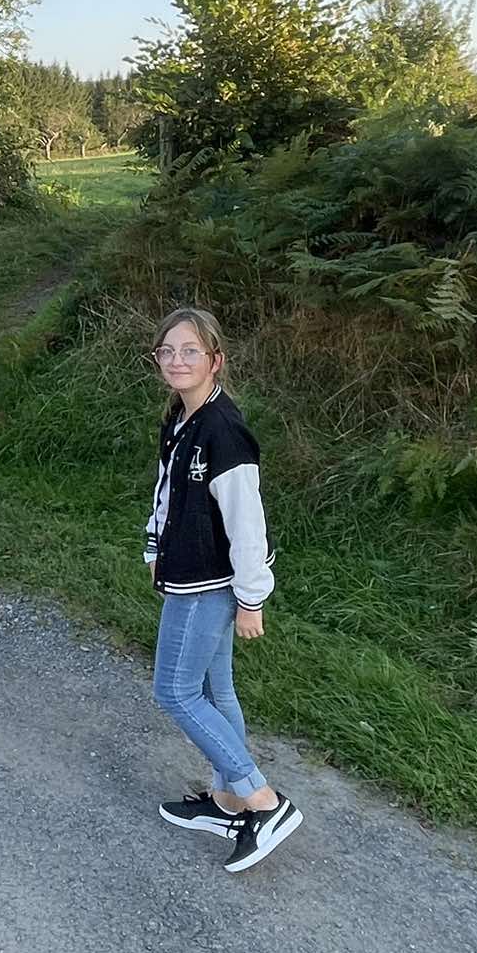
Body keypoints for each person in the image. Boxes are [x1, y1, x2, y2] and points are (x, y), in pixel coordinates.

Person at [143, 305, 302, 874]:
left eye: (191, 351)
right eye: (167, 351)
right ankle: (227, 802)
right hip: (187, 572)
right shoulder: (182, 418)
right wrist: (155, 548)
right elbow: (169, 495)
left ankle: (263, 801)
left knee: (175, 691)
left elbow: (247, 523)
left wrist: (252, 598)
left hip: (209, 584)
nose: (177, 360)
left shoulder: (223, 430)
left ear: (216, 360)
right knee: (216, 689)